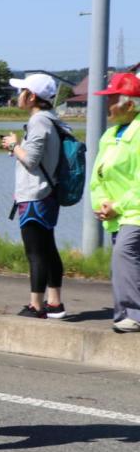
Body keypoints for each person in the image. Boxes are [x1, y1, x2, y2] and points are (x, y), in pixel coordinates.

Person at [0, 73, 66, 319]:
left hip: (35, 195)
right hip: (46, 193)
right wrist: (17, 147)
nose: (18, 96)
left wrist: (13, 145)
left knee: (35, 251)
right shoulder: (50, 119)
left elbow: (30, 160)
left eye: (22, 91)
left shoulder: (39, 121)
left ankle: (36, 305)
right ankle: (55, 303)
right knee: (48, 247)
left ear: (32, 96)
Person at [88, 71, 140, 334]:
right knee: (124, 261)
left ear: (130, 104)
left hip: (135, 212)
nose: (106, 106)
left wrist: (118, 205)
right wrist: (103, 204)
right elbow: (99, 176)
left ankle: (133, 313)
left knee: (124, 255)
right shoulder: (111, 135)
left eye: (112, 100)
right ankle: (124, 314)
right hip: (118, 214)